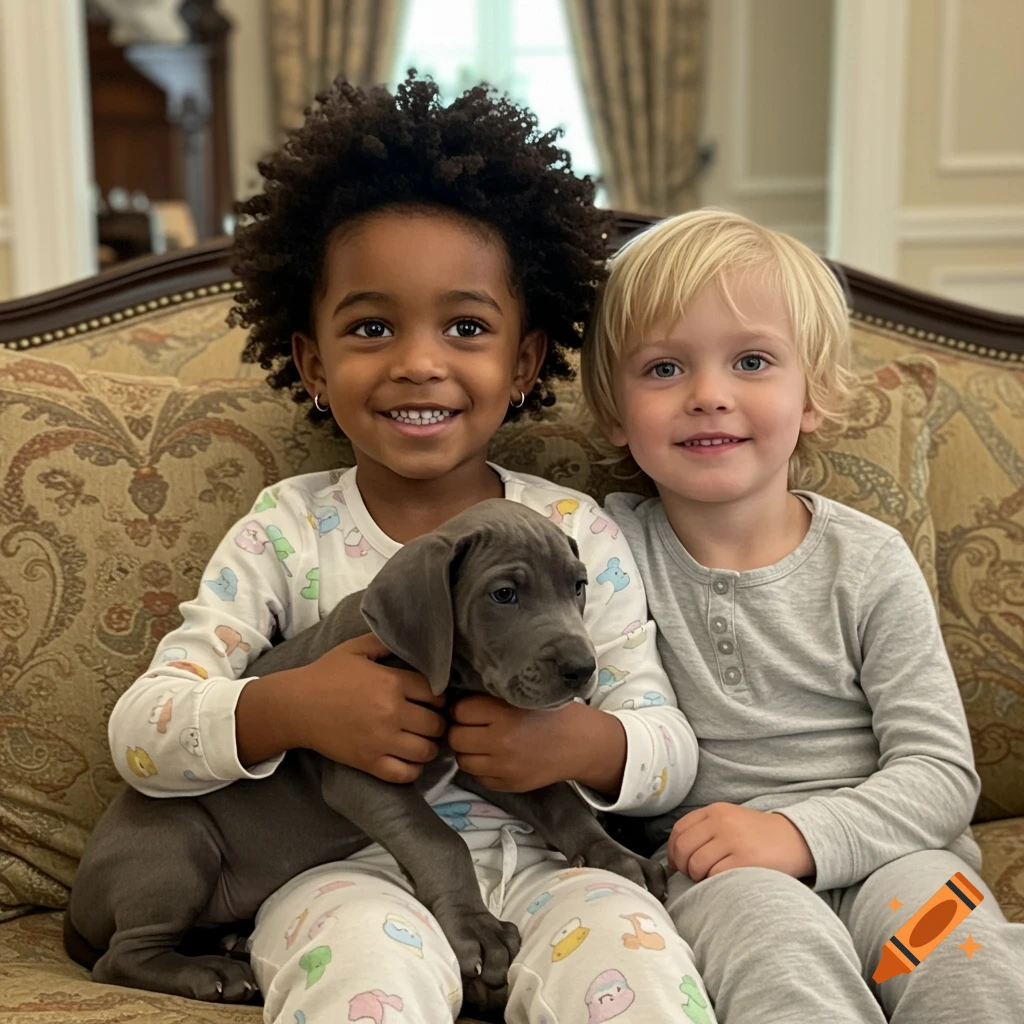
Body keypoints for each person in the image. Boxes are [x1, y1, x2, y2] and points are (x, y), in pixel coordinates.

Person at [108, 75, 715, 1024]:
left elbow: (671, 745)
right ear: (312, 363)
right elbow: (141, 734)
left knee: (637, 977)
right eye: (372, 326)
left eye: (465, 327)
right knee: (365, 987)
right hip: (339, 877)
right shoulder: (286, 531)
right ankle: (142, 955)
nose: (419, 361)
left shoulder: (574, 531)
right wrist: (287, 709)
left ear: (522, 364)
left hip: (542, 867)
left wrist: (579, 741)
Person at [580, 208, 1024, 1023]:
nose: (709, 395)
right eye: (664, 369)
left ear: (812, 394)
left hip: (903, 860)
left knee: (961, 961)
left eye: (751, 361)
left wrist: (799, 833)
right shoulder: (602, 554)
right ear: (614, 412)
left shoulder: (867, 559)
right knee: (786, 970)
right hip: (722, 876)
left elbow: (940, 776)